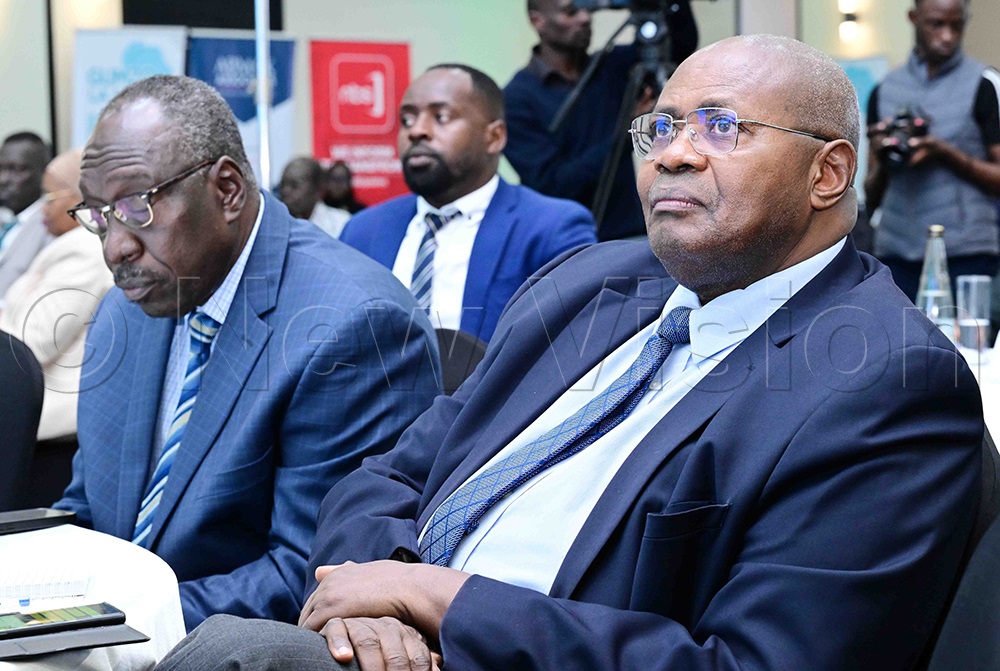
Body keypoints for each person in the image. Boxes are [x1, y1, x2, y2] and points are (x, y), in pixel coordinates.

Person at [156, 36, 983, 671]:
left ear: (829, 172)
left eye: (721, 127)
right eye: (659, 126)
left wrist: (439, 598)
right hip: (379, 642)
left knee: (236, 652)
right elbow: (391, 473)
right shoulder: (589, 283)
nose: (673, 152)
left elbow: (751, 663)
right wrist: (377, 595)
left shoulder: (886, 381)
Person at [53, 75, 442, 631]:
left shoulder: (355, 328)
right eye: (97, 214)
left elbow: (311, 577)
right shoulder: (127, 309)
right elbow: (89, 509)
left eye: (137, 206)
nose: (115, 246)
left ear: (228, 190)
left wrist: (98, 626)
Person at [341, 64, 597, 343]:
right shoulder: (361, 231)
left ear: (495, 137)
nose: (416, 132)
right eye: (407, 120)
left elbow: (572, 348)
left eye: (440, 117)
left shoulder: (551, 229)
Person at [503, 0, 698, 241]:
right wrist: (626, 131)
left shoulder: (611, 67)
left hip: (630, 234)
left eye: (588, 8)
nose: (585, 18)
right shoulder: (516, 99)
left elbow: (680, 44)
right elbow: (552, 185)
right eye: (571, 11)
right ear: (537, 21)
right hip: (562, 243)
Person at [865, 0, 1000, 300]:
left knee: (965, 346)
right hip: (897, 252)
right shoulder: (885, 89)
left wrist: (944, 153)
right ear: (914, 18)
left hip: (967, 252)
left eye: (956, 25)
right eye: (936, 24)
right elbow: (871, 193)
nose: (948, 35)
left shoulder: (985, 84)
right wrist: (883, 156)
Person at [0, 149, 111, 440]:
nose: (42, 210)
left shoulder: (83, 252)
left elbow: (34, 342)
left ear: (79, 198)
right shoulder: (69, 245)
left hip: (54, 426)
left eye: (49, 197)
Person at [0, 132, 51, 298]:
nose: (4, 179)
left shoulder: (51, 225)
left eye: (18, 169)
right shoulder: (6, 220)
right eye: (1, 168)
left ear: (44, 173)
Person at [278, 156, 351, 239]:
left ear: (317, 188)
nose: (285, 191)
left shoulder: (341, 223)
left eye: (294, 185)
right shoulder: (274, 224)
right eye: (283, 184)